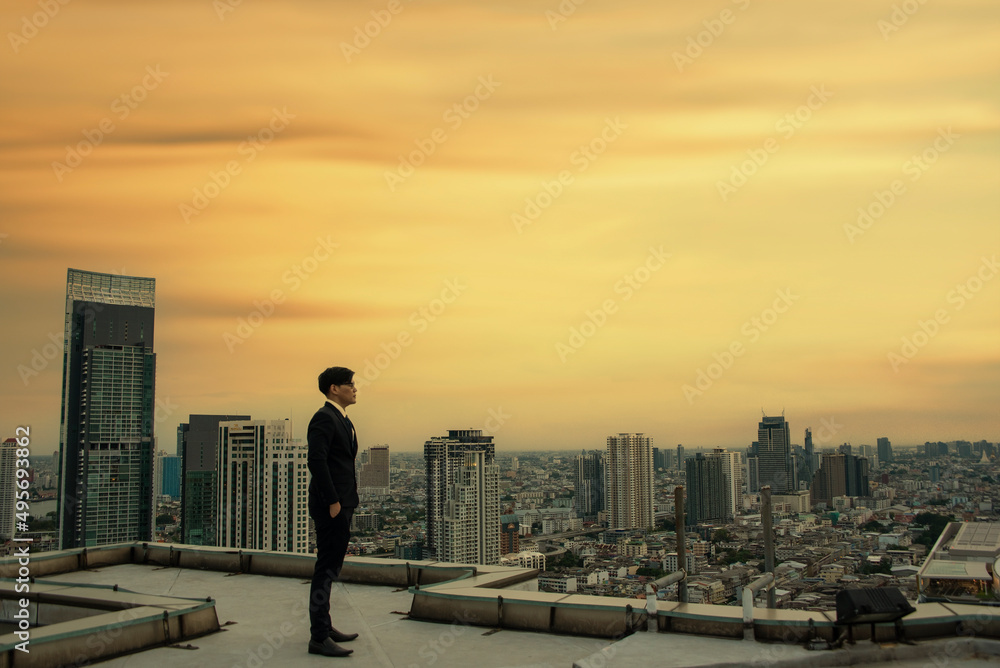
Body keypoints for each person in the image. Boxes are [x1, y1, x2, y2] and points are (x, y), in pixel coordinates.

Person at [307, 366, 361, 657]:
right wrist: (332, 501)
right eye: (349, 384)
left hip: (343, 502)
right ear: (333, 389)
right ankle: (318, 637)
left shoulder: (343, 419)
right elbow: (316, 460)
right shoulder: (324, 418)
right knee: (326, 569)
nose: (354, 389)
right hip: (332, 504)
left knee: (332, 567)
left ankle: (325, 627)